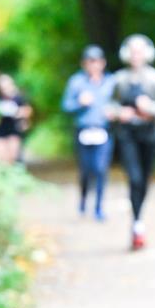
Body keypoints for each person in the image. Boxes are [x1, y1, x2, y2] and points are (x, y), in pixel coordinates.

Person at [107, 34, 155, 250]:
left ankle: (138, 219)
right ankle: (137, 225)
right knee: (134, 178)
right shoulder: (119, 79)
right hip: (127, 136)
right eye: (133, 51)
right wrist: (121, 113)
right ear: (127, 54)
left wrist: (149, 107)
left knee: (144, 180)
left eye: (140, 51)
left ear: (147, 54)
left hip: (150, 137)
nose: (136, 55)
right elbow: (108, 107)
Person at [62, 45, 115, 221]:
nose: (94, 65)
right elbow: (66, 106)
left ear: (103, 63)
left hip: (103, 131)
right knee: (86, 170)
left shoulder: (111, 82)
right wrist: (80, 102)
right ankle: (84, 199)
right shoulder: (76, 82)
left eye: (97, 61)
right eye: (90, 61)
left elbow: (120, 104)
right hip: (83, 131)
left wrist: (114, 112)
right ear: (84, 64)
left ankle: (99, 207)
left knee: (101, 169)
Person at [0, 73, 32, 165]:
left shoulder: (18, 97)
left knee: (12, 157)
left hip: (13, 128)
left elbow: (28, 110)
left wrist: (18, 113)